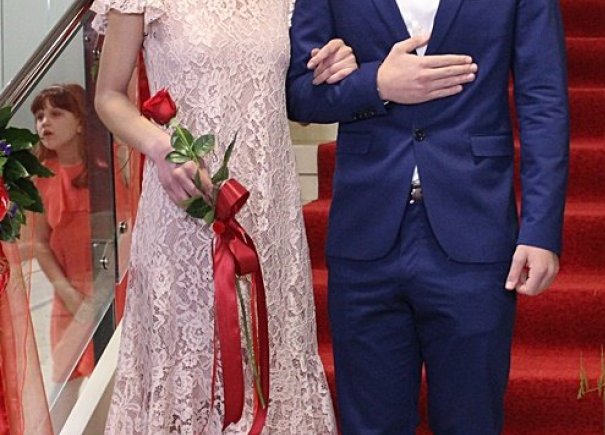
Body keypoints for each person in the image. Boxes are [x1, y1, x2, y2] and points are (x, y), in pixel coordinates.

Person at [287, 0, 569, 434]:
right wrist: (375, 82)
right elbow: (298, 93)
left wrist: (541, 229)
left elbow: (543, 99)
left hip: (474, 227)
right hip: (366, 230)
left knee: (471, 422)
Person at [90, 0, 358, 432]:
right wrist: (160, 147)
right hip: (183, 206)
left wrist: (331, 66)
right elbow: (108, 96)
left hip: (268, 210)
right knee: (188, 359)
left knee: (270, 354)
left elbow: (295, 91)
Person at [31, 83, 94, 430]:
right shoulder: (42, 178)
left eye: (56, 113)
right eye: (40, 116)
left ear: (81, 122)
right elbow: (41, 243)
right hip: (66, 296)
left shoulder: (106, 170)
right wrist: (67, 292)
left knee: (104, 379)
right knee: (64, 381)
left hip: (105, 291)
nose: (45, 122)